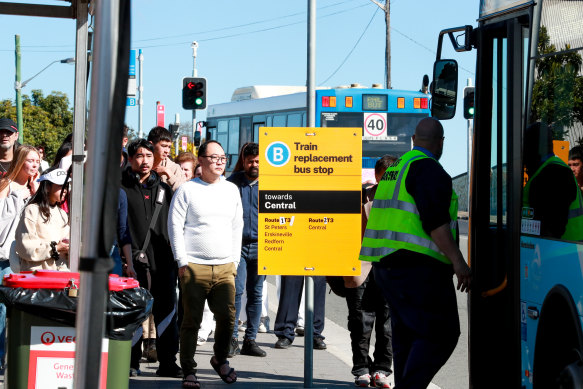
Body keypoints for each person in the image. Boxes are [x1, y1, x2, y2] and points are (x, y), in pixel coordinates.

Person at [360, 117, 471, 388]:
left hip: (387, 267)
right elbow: (435, 223)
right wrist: (459, 262)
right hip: (419, 269)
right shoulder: (429, 170)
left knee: (406, 336)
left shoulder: (397, 168)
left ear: (413, 140)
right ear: (441, 142)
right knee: (442, 335)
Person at [168, 140, 242, 388]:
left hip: (225, 266)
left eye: (223, 158)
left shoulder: (231, 189)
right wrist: (182, 261)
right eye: (214, 158)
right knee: (192, 320)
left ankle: (219, 359)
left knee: (228, 318)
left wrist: (234, 260)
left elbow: (236, 226)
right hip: (193, 267)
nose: (220, 162)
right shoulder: (187, 190)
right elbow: (175, 227)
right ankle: (188, 368)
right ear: (201, 161)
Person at [121, 139, 181, 378]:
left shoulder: (163, 188)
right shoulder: (121, 187)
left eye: (148, 155)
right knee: (134, 313)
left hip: (163, 261)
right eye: (138, 156)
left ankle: (168, 362)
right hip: (133, 261)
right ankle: (130, 361)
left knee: (166, 313)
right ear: (130, 158)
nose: (144, 160)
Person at [345, 155, 395, 388]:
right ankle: (362, 369)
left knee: (388, 323)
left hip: (391, 268)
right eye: (385, 176)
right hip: (360, 267)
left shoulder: (404, 200)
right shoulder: (360, 196)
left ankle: (383, 370)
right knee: (360, 321)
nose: (389, 181)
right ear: (376, 176)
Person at [0, 145, 40, 369]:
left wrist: (34, 194)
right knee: (2, 310)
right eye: (30, 160)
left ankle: (17, 360)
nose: (34, 165)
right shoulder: (7, 185)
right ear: (20, 161)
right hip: (5, 256)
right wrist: (18, 197)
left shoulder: (36, 189)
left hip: (26, 259)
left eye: (37, 161)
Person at [226, 142, 266, 358]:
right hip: (237, 246)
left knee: (256, 294)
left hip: (263, 245)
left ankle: (250, 339)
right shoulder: (232, 183)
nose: (254, 164)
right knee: (236, 292)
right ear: (244, 161)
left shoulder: (271, 184)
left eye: (258, 161)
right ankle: (233, 339)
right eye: (250, 161)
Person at [523, 122, 583, 240]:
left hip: (561, 253)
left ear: (537, 146)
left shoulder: (554, 173)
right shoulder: (549, 169)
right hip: (565, 251)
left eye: (526, 144)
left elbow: (551, 229)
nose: (523, 151)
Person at [15, 167, 70, 272]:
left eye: (66, 186)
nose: (65, 190)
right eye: (60, 186)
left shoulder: (62, 214)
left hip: (59, 275)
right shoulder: (31, 210)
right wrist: (55, 248)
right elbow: (25, 247)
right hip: (36, 276)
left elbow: (66, 242)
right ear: (47, 187)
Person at [147, 126, 186, 191]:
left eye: (169, 147)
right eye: (163, 146)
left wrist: (168, 174)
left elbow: (183, 193)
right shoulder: (139, 165)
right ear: (151, 144)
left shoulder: (175, 168)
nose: (167, 151)